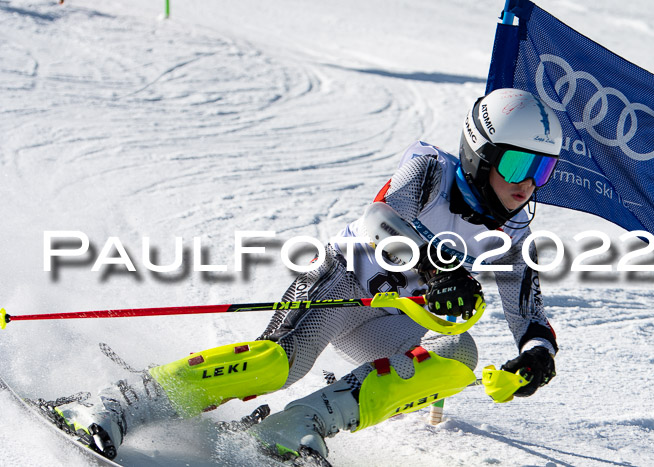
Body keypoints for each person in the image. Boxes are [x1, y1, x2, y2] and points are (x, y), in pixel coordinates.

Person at [47, 88, 562, 464]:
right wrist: (435, 268)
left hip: (390, 320)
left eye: (542, 171)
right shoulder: (431, 168)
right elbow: (377, 221)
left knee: (459, 355)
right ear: (480, 152)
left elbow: (528, 310)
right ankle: (118, 402)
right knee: (279, 364)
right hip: (341, 283)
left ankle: (295, 427)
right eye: (518, 165)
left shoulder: (513, 230)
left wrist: (538, 353)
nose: (527, 185)